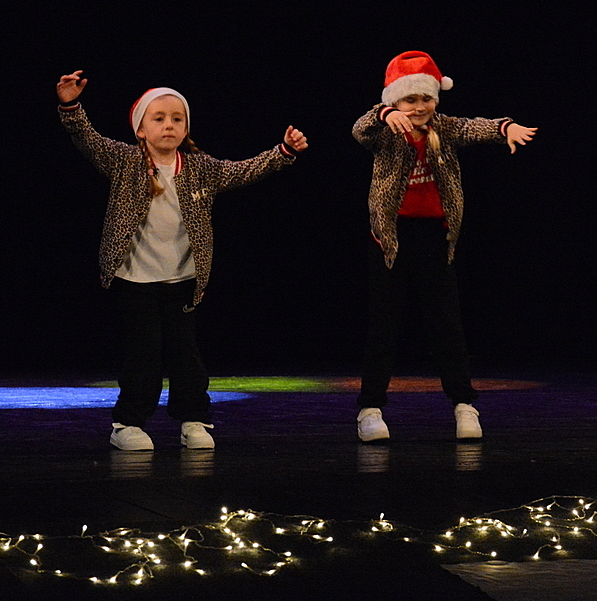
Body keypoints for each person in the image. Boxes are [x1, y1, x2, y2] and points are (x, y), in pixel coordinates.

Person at [56, 70, 308, 451]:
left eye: (177, 119)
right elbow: (87, 139)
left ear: (186, 127)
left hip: (183, 281)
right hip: (135, 281)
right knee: (144, 354)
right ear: (141, 129)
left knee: (186, 356)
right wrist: (71, 106)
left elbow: (242, 170)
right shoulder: (125, 161)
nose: (169, 125)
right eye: (158, 118)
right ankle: (127, 423)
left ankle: (193, 419)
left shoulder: (199, 167)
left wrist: (283, 152)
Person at [352, 51, 536, 443]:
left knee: (447, 326)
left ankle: (464, 405)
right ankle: (370, 410)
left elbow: (475, 126)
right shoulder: (386, 130)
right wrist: (384, 113)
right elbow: (359, 129)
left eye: (426, 98)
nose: (419, 107)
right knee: (384, 327)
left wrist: (504, 128)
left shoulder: (445, 128)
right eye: (410, 99)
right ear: (396, 100)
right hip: (392, 241)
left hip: (436, 239)